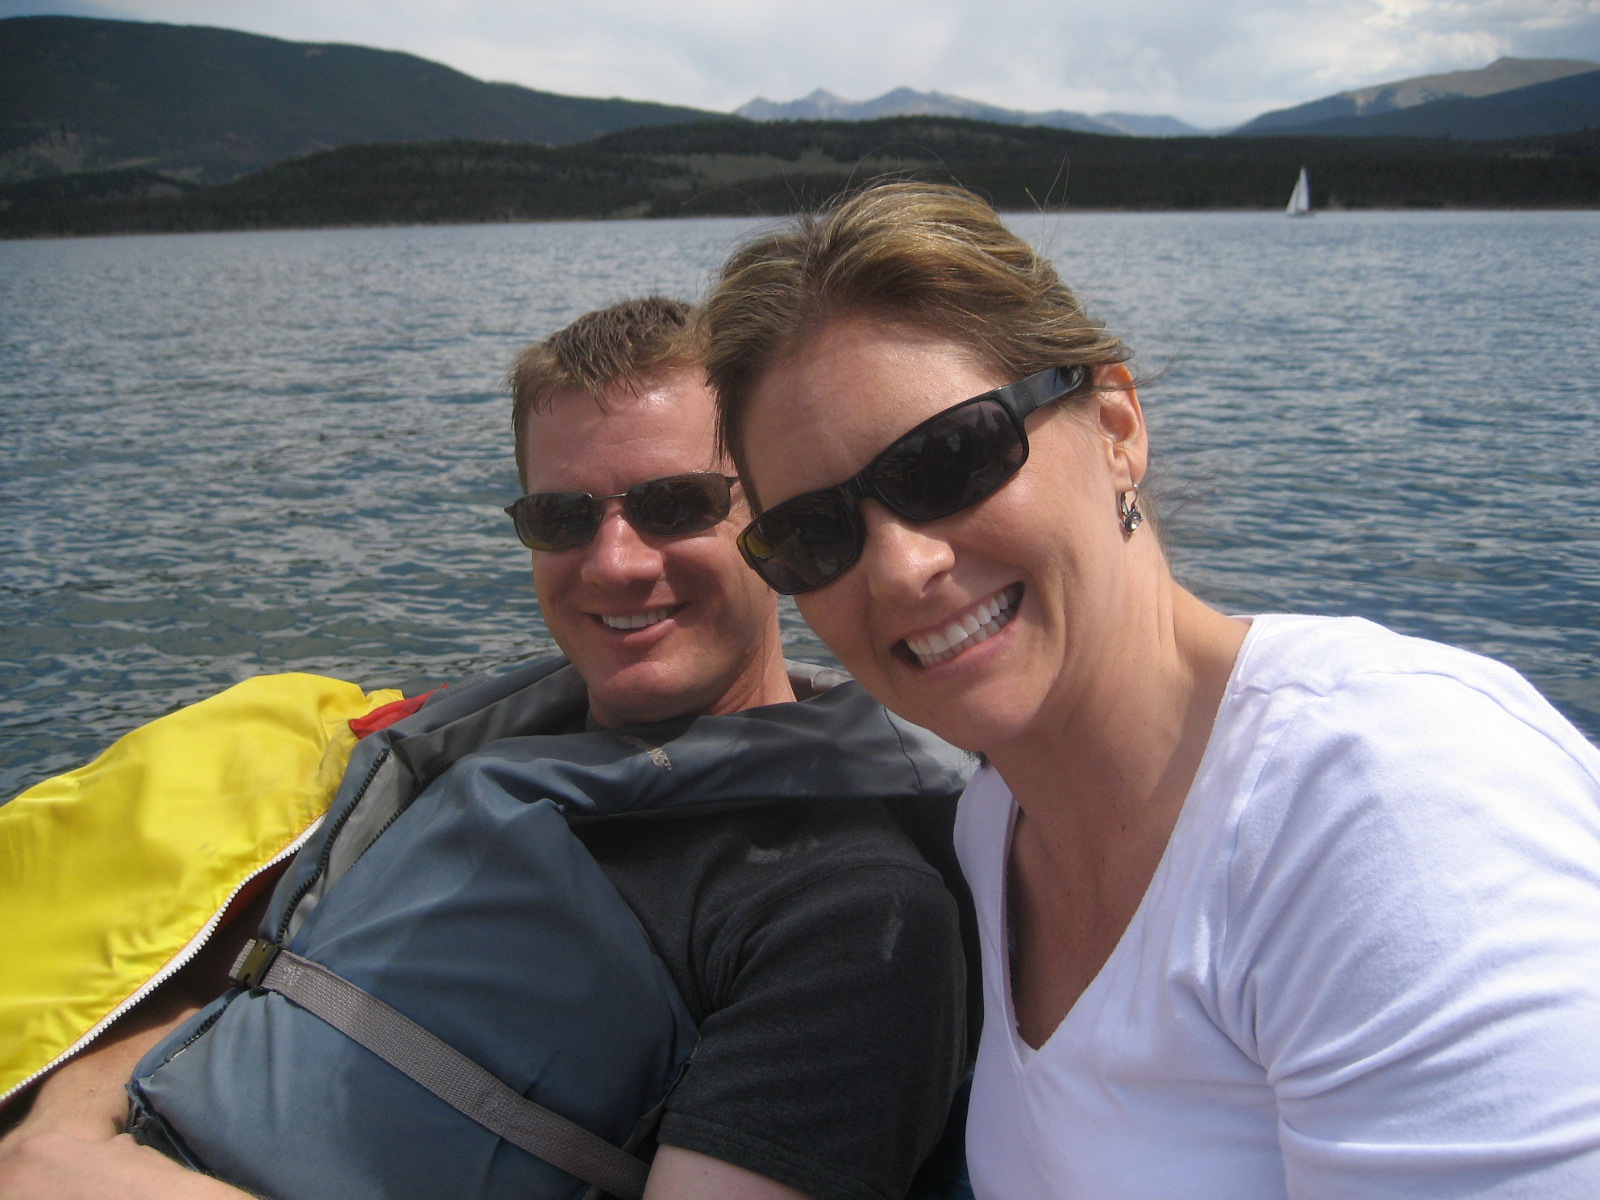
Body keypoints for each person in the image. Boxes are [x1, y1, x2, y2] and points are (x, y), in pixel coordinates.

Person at [702, 181, 1600, 1199]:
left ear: (1115, 426)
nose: (903, 569)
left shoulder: (1387, 808)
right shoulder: (996, 828)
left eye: (948, 459)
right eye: (814, 533)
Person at [0, 296, 971, 1200]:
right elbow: (248, 967)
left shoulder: (851, 914)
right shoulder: (472, 745)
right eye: (561, 518)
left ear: (774, 520)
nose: (615, 561)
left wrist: (95, 1178)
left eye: (675, 504)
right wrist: (68, 1120)